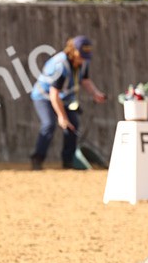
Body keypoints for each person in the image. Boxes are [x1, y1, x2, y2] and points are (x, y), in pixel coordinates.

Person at [29, 36, 107, 170]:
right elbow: (54, 94)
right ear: (73, 51)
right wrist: (62, 117)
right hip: (44, 96)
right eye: (81, 55)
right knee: (49, 125)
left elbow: (85, 80)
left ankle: (68, 160)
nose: (83, 58)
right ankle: (37, 158)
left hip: (63, 97)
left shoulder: (83, 61)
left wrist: (95, 93)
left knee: (73, 125)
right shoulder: (60, 65)